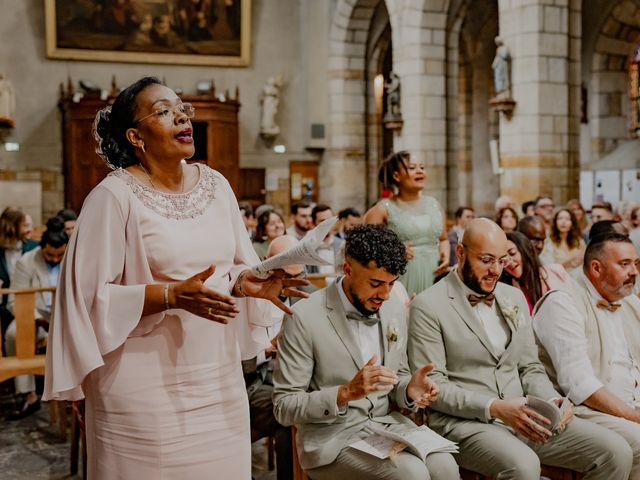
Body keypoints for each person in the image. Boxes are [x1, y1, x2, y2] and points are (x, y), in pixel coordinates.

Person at [42, 76, 309, 479]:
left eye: (182, 109)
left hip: (216, 378)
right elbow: (86, 300)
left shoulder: (216, 186)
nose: (181, 117)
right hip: (140, 388)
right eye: (164, 112)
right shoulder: (113, 198)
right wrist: (168, 296)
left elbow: (233, 264)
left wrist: (245, 282)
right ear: (136, 135)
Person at [408, 218, 633, 479]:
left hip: (527, 419)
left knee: (616, 451)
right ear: (460, 253)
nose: (496, 270)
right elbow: (435, 387)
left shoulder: (512, 297)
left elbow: (530, 366)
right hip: (466, 424)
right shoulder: (428, 305)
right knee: (524, 465)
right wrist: (495, 407)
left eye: (501, 260)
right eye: (486, 260)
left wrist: (551, 400)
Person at [273, 224, 460, 480]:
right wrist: (345, 393)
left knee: (446, 466)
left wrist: (410, 388)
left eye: (392, 284)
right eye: (375, 283)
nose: (384, 294)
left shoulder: (392, 306)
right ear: (347, 269)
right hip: (333, 439)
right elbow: (284, 407)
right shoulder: (304, 316)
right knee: (411, 475)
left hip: (386, 427)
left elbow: (398, 374)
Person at [533, 233, 640, 478]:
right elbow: (580, 386)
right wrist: (634, 416)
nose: (634, 271)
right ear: (596, 268)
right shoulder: (562, 303)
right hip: (581, 410)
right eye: (624, 264)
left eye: (635, 264)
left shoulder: (630, 302)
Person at [243, 235, 315, 480]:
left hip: (296, 378)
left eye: (298, 274)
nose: (291, 282)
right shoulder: (246, 295)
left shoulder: (308, 296)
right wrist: (265, 348)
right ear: (266, 264)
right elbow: (233, 356)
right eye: (284, 274)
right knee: (288, 417)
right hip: (256, 381)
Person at [5, 218, 69, 420]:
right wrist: (38, 320)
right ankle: (28, 394)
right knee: (14, 333)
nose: (56, 260)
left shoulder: (72, 258)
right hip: (37, 315)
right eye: (50, 254)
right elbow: (14, 301)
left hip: (66, 314)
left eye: (60, 255)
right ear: (42, 247)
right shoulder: (27, 262)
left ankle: (73, 390)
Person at [365, 151, 449, 296]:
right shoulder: (383, 209)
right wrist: (394, 251)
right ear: (396, 176)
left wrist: (446, 256)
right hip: (403, 276)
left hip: (435, 275)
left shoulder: (434, 204)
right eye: (412, 168)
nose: (419, 171)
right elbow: (365, 249)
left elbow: (443, 239)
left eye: (422, 167)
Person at [501, 231, 571, 313]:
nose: (509, 262)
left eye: (512, 253)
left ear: (525, 250)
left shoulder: (556, 271)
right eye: (503, 260)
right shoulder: (508, 291)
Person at [0, 207, 38, 347]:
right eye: (25, 225)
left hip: (30, 303)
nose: (30, 229)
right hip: (3, 307)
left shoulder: (35, 247)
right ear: (12, 227)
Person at [540, 208, 586, 276]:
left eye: (567, 219)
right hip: (557, 279)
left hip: (577, 278)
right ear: (555, 222)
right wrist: (571, 257)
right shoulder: (548, 242)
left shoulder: (579, 241)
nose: (563, 222)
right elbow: (549, 267)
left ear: (572, 223)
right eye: (560, 218)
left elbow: (584, 262)